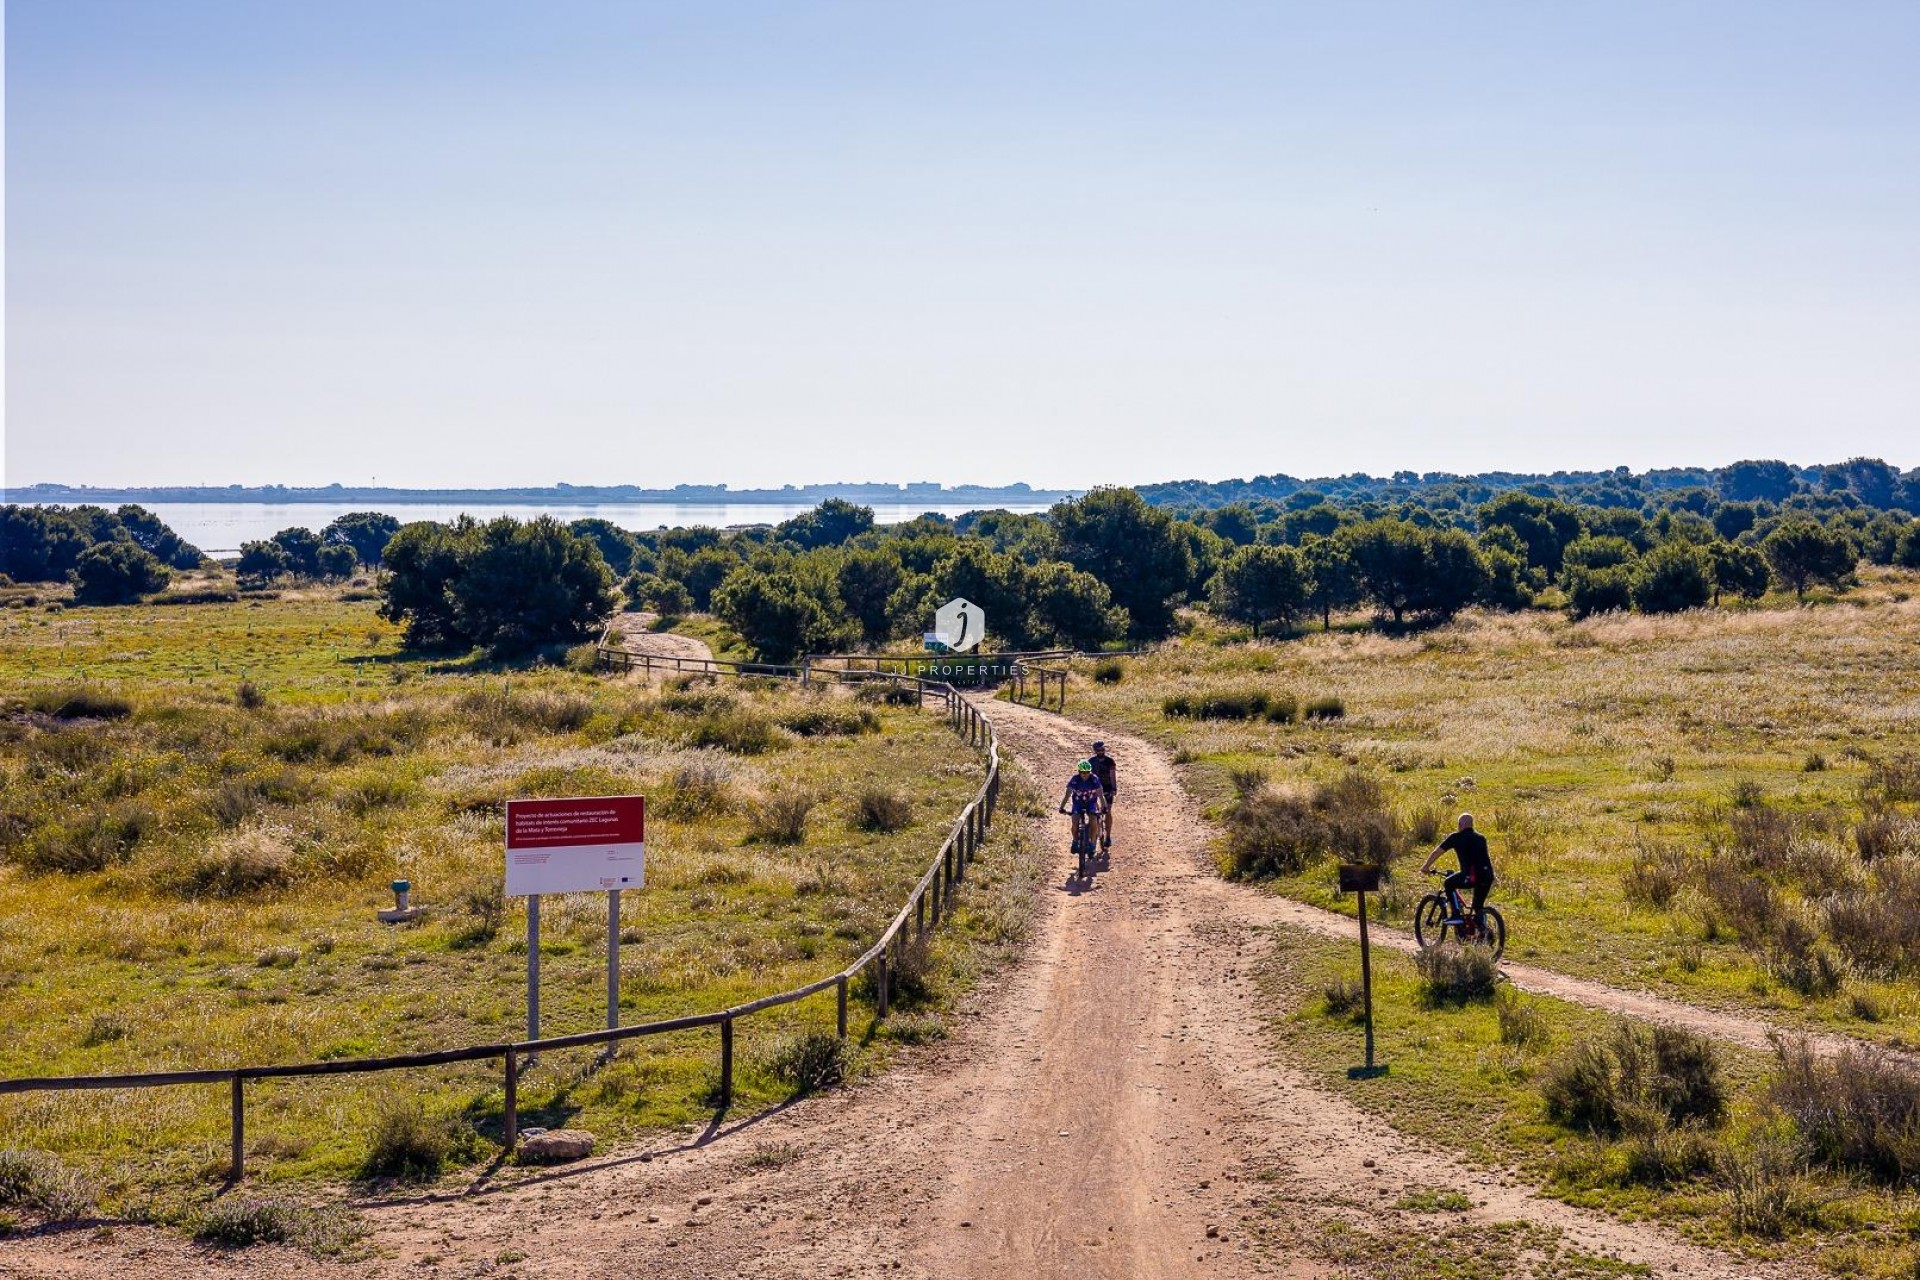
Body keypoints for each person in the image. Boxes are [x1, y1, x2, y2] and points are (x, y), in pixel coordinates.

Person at [1420, 813, 1495, 936]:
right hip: (1487, 876)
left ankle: (1456, 915)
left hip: (1471, 877)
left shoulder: (1456, 837)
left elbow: (1436, 852)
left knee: (1448, 882)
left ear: (1460, 825)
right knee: (1478, 907)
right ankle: (1483, 931)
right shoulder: (1481, 838)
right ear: (1472, 825)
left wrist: (1426, 866)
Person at [1058, 760, 1106, 854]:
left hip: (1091, 802)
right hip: (1078, 803)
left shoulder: (1094, 779)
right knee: (1075, 822)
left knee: (1093, 821)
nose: (1085, 774)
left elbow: (1100, 795)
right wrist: (1062, 807)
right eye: (1082, 772)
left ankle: (1092, 844)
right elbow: (1067, 795)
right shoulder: (1075, 779)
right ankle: (1075, 841)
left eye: (1087, 772)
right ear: (1079, 772)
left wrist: (1104, 807)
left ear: (1090, 771)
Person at [1088, 741, 1118, 850]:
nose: (1101, 751)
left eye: (1102, 749)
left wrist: (1114, 788)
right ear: (1095, 751)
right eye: (1098, 750)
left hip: (1107, 788)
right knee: (1093, 811)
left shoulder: (1110, 761)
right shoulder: (1091, 762)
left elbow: (1112, 775)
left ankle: (1108, 836)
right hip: (1094, 788)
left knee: (1108, 811)